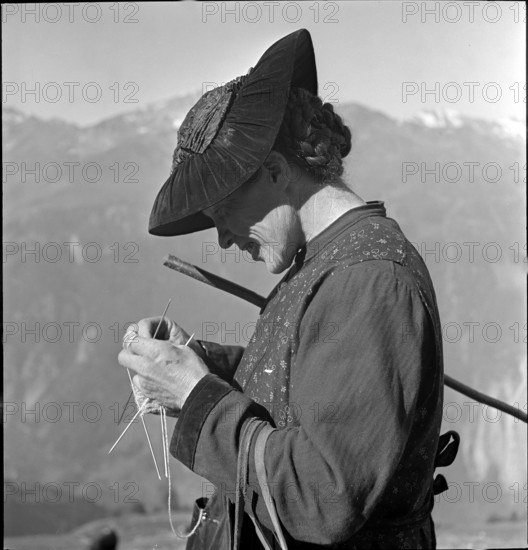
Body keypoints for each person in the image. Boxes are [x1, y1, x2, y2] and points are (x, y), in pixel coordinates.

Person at [118, 29, 446, 549]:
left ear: (274, 171)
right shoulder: (323, 264)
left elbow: (323, 497)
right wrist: (196, 361)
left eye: (223, 215)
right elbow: (305, 381)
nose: (224, 239)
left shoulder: (371, 280)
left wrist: (196, 396)